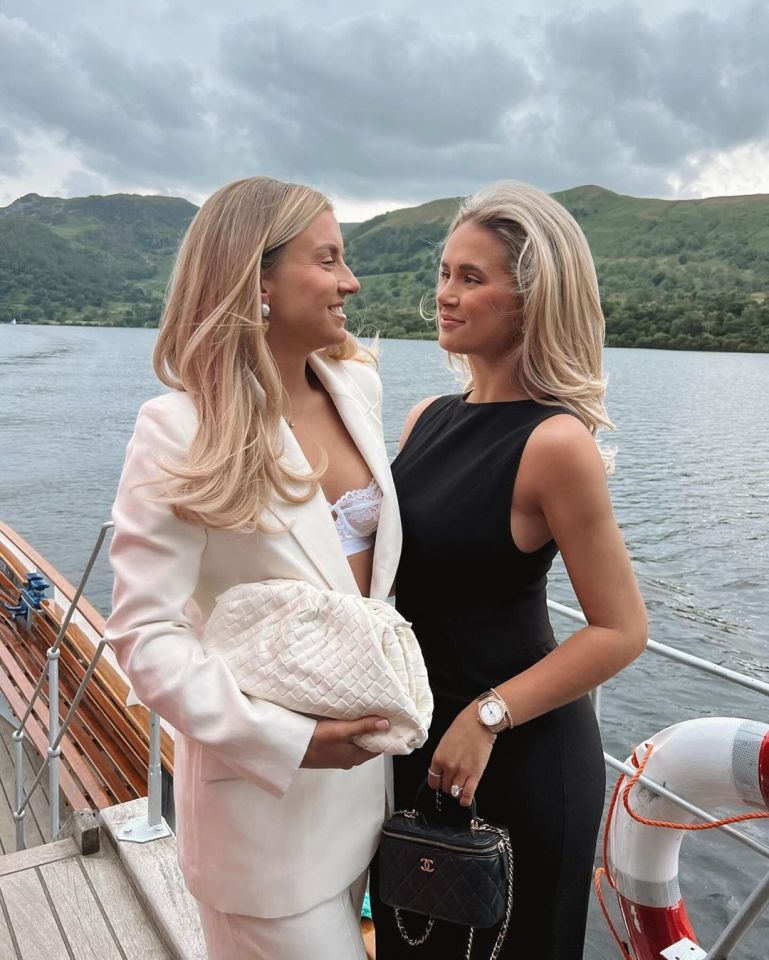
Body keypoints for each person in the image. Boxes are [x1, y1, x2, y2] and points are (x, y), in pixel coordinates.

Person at [104, 176, 402, 960]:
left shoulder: (358, 389)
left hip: (365, 803)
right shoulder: (179, 428)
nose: (351, 281)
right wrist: (289, 739)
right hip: (261, 828)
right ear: (256, 280)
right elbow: (145, 635)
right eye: (328, 259)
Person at [371, 181, 648, 958]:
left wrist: (486, 716)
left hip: (514, 750)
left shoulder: (555, 444)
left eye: (471, 278)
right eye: (444, 273)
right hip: (420, 741)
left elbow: (623, 630)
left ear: (531, 301)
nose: (443, 295)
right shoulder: (426, 418)